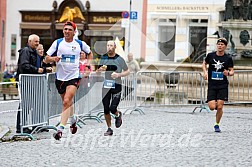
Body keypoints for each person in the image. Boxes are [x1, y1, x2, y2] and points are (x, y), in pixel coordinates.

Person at [45, 21, 93, 140]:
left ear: (74, 32)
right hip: (60, 78)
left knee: (67, 101)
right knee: (67, 103)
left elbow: (90, 53)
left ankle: (60, 129)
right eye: (65, 29)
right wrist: (53, 58)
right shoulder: (58, 43)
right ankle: (72, 120)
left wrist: (88, 65)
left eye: (69, 30)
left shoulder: (80, 44)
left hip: (74, 76)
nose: (67, 31)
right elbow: (46, 58)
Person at [96, 40, 130, 136]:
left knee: (112, 108)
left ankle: (118, 114)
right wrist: (99, 70)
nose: (109, 47)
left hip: (117, 85)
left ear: (115, 47)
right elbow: (97, 71)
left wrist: (119, 74)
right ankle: (109, 128)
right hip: (106, 85)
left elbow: (127, 71)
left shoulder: (119, 59)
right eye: (108, 45)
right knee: (106, 108)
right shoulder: (103, 58)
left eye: (111, 45)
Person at [202, 38, 234, 133]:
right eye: (218, 44)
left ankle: (217, 124)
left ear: (225, 46)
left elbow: (232, 70)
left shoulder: (228, 58)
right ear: (217, 45)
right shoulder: (211, 55)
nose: (220, 46)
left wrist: (228, 73)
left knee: (220, 107)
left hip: (222, 85)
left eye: (222, 44)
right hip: (212, 84)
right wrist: (205, 72)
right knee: (212, 107)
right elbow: (204, 64)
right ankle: (217, 104)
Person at [15, 34, 45, 134]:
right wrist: (37, 70)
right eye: (36, 41)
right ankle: (20, 127)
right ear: (30, 41)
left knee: (32, 104)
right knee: (24, 105)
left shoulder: (33, 52)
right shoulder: (26, 51)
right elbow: (24, 65)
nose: (37, 43)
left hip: (30, 82)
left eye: (38, 41)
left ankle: (31, 125)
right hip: (25, 82)